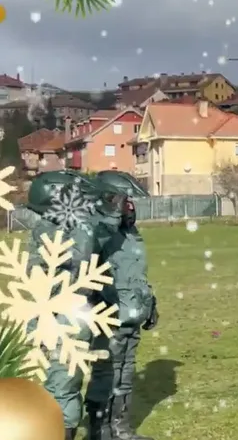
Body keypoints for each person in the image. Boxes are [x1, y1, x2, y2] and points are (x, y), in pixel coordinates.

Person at [23, 171, 122, 440]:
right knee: (52, 385)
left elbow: (76, 270)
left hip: (64, 315)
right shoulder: (61, 224)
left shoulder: (72, 227)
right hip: (54, 314)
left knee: (61, 387)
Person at [84, 173, 158, 440]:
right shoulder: (97, 231)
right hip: (109, 315)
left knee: (125, 373)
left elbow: (135, 272)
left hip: (132, 314)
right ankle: (99, 431)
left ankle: (120, 428)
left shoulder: (131, 234)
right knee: (106, 374)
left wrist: (150, 302)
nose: (131, 207)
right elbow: (85, 265)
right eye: (125, 201)